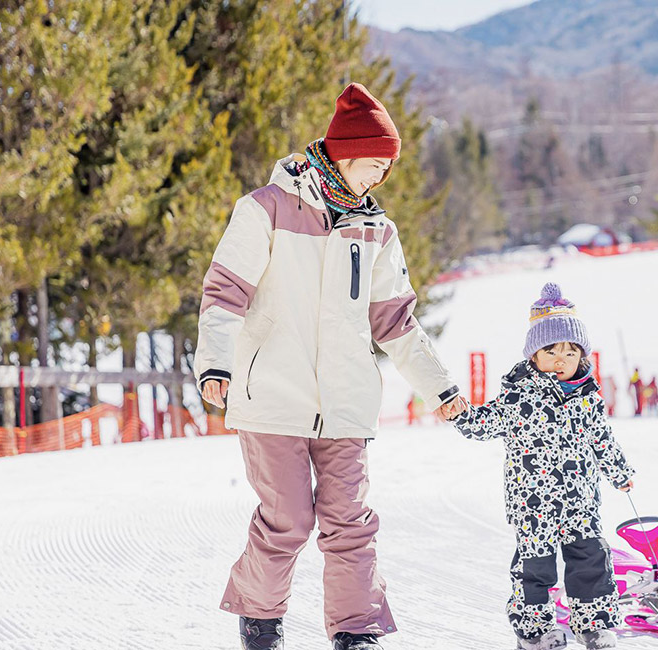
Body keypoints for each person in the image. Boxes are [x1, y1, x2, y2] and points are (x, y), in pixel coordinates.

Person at [195, 83, 468, 650]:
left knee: (350, 523)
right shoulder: (265, 210)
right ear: (345, 153)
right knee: (288, 521)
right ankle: (261, 618)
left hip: (345, 402)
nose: (379, 179)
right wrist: (215, 365)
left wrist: (440, 388)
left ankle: (356, 631)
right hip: (272, 396)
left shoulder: (377, 231)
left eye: (386, 169)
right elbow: (224, 294)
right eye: (374, 164)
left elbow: (396, 321)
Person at [449, 283, 635, 650]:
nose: (561, 358)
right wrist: (461, 414)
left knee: (590, 562)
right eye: (551, 350)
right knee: (535, 569)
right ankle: (534, 631)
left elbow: (601, 439)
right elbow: (486, 422)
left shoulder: (588, 397)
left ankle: (593, 624)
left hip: (581, 501)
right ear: (534, 355)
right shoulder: (520, 396)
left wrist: (619, 472)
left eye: (570, 351)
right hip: (533, 504)